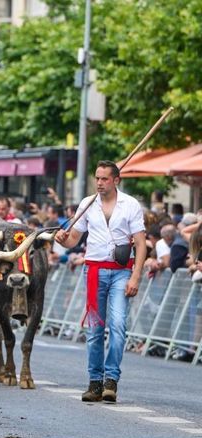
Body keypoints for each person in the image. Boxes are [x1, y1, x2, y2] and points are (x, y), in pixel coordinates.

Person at [55, 161, 146, 403]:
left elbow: (141, 243)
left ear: (116, 180)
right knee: (94, 330)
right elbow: (74, 238)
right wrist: (62, 239)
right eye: (97, 178)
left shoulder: (130, 205)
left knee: (117, 325)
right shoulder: (87, 204)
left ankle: (111, 380)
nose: (99, 183)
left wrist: (136, 276)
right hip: (94, 273)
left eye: (104, 179)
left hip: (121, 272)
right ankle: (95, 382)